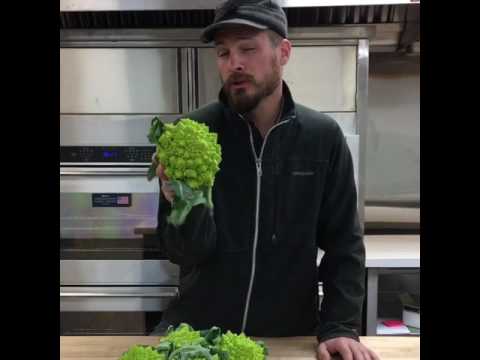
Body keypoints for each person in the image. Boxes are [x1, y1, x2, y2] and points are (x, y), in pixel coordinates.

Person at [153, 1, 379, 359]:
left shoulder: (322, 138)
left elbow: (344, 245)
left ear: (283, 52)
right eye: (223, 52)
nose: (234, 63)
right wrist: (181, 201)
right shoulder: (192, 135)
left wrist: (340, 326)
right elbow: (184, 254)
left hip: (289, 338)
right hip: (200, 341)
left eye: (248, 48)